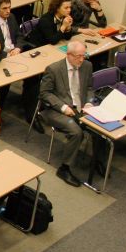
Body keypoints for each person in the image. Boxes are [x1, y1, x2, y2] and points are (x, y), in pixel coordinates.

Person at [39, 40, 102, 187]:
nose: (81, 59)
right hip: (57, 110)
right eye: (78, 56)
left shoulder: (87, 66)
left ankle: (97, 160)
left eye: (84, 55)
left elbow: (90, 88)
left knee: (100, 127)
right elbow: (44, 93)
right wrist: (62, 107)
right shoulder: (54, 69)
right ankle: (64, 168)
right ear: (69, 55)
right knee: (76, 131)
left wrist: (89, 103)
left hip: (81, 107)